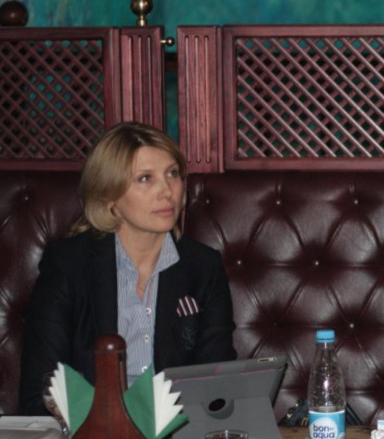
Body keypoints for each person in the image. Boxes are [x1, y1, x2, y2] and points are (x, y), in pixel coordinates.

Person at [19, 122, 237, 415]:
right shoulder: (68, 264)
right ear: (109, 196)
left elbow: (217, 386)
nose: (167, 191)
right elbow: (39, 390)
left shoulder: (203, 266)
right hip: (89, 430)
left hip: (176, 432)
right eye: (145, 178)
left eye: (172, 173)